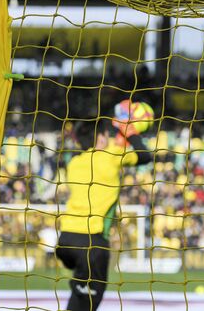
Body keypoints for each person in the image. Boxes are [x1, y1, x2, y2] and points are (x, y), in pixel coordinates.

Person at [56, 117, 153, 311]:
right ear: (101, 138)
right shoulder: (111, 155)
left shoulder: (73, 164)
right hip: (92, 242)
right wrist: (130, 132)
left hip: (65, 240)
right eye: (105, 136)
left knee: (80, 293)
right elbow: (145, 156)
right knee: (87, 304)